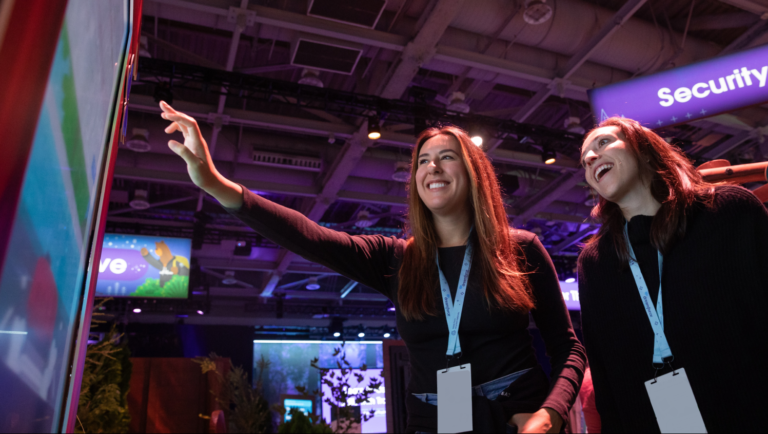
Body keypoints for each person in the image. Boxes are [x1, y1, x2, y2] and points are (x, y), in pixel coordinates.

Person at [159, 101, 586, 433]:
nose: (432, 166)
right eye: (422, 160)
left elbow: (568, 346)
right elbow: (309, 236)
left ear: (475, 174)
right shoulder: (397, 257)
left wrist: (549, 414)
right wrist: (216, 183)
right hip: (433, 423)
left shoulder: (521, 249)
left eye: (447, 157)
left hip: (518, 420)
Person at [577, 117, 768, 432]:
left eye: (603, 143)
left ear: (644, 149)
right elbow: (606, 378)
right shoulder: (595, 262)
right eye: (585, 160)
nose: (590, 158)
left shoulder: (729, 212)